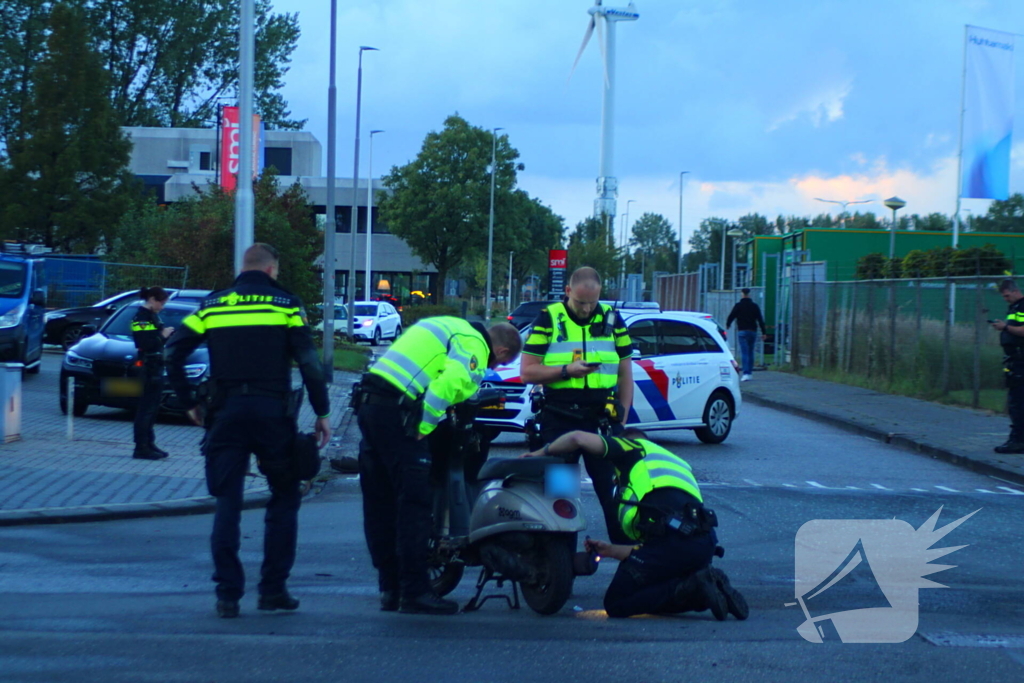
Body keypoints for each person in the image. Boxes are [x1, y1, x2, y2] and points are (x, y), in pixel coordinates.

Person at [167, 243, 331, 619]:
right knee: (285, 497)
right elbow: (308, 361)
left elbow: (173, 351)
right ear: (272, 270)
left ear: (243, 268)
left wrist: (188, 401)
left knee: (228, 501)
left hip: (225, 414)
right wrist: (322, 412)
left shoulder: (212, 305)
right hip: (273, 413)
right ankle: (273, 590)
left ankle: (228, 594)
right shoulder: (286, 305)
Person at [355, 317, 522, 615]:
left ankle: (390, 589)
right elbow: (445, 388)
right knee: (415, 503)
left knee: (380, 502)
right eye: (496, 364)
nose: (490, 369)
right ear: (502, 351)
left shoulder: (446, 325)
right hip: (399, 412)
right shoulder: (474, 344)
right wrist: (425, 425)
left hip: (369, 403)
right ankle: (415, 592)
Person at [524, 428, 748, 621]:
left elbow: (577, 438)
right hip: (703, 546)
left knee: (617, 603)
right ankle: (705, 585)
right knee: (658, 587)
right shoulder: (676, 464)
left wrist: (540, 453)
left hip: (675, 545)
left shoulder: (633, 449)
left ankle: (696, 588)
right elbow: (654, 551)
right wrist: (610, 551)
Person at [520, 267, 634, 544]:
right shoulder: (549, 318)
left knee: (612, 492)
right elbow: (527, 372)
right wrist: (566, 371)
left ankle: (630, 561)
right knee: (562, 495)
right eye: (580, 302)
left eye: (592, 302)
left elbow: (625, 374)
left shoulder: (613, 319)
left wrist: (622, 419)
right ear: (568, 292)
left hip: (600, 419)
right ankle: (561, 568)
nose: (586, 309)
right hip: (560, 418)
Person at [130, 287, 174, 460]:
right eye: (161, 303)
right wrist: (162, 335)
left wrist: (166, 335)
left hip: (156, 365)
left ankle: (149, 443)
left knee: (153, 408)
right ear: (152, 299)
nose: (162, 307)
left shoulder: (152, 316)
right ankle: (141, 447)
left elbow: (154, 338)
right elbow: (144, 342)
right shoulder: (141, 317)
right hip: (147, 367)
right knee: (145, 409)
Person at [991, 279, 1024, 454]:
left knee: (1018, 403)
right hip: (1015, 360)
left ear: (1014, 291)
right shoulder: (1015, 307)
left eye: (1007, 295)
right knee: (1016, 402)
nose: (1005, 299)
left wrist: (1005, 328)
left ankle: (1018, 441)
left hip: (1021, 362)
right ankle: (1017, 439)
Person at [726, 288, 767, 382]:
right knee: (750, 352)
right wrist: (764, 332)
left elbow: (731, 316)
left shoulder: (738, 305)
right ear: (749, 294)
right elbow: (760, 319)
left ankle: (745, 373)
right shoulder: (754, 306)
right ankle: (750, 372)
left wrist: (728, 324)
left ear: (742, 294)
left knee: (744, 352)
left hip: (742, 331)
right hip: (752, 331)